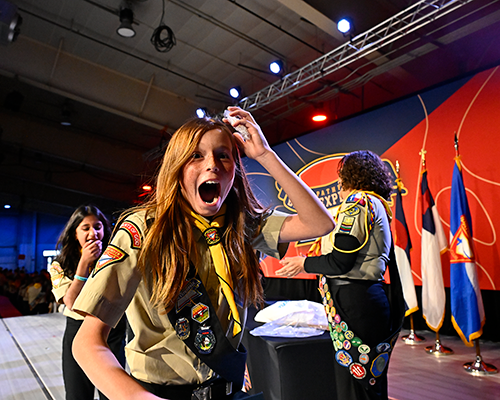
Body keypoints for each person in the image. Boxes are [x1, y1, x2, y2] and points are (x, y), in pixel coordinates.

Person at [70, 107, 334, 400]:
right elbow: (87, 343)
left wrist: (265, 155)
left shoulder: (242, 225)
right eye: (196, 155)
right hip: (161, 392)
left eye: (224, 155)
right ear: (177, 167)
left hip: (227, 389)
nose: (213, 164)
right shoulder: (145, 229)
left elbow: (319, 223)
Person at [276, 150, 405, 400]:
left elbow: (340, 261)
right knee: (367, 384)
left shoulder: (358, 203)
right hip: (363, 300)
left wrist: (303, 264)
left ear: (348, 177)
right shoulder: (376, 203)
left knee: (356, 386)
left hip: (355, 301)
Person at [49, 205, 126, 400]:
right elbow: (71, 302)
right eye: (86, 228)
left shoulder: (115, 258)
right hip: (78, 331)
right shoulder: (60, 264)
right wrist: (83, 264)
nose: (94, 233)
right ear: (75, 233)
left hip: (111, 332)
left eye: (98, 227)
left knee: (111, 394)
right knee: (77, 394)